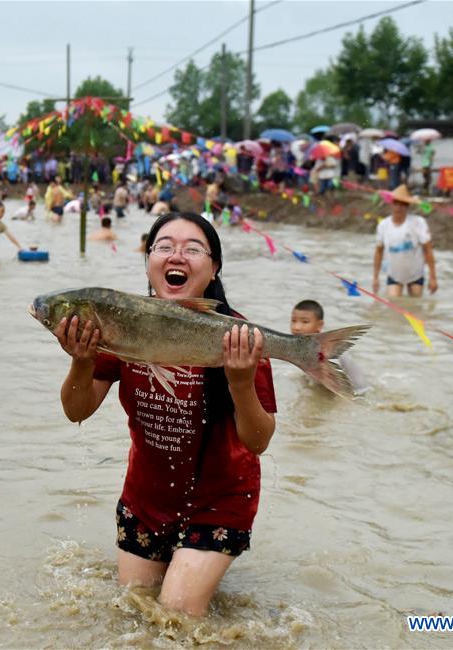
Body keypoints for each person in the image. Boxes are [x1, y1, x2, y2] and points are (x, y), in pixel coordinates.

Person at [52, 211, 277, 616]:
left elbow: (258, 441)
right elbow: (76, 411)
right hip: (146, 499)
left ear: (214, 268)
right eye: (165, 247)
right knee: (133, 609)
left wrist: (240, 383)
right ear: (149, 261)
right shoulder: (118, 324)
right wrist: (82, 362)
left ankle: (199, 564)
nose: (177, 256)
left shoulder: (238, 337)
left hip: (220, 501)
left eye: (192, 249)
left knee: (174, 614)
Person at [290, 300, 368, 395]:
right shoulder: (304, 345)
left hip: (357, 392)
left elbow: (339, 386)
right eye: (293, 321)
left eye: (305, 322)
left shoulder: (326, 349)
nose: (297, 327)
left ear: (320, 325)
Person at [372, 185, 438, 297]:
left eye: (402, 205)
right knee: (394, 305)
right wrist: (375, 277)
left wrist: (433, 277)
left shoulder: (418, 223)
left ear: (407, 207)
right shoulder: (383, 225)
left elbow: (428, 249)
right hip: (394, 275)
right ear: (391, 204)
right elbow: (379, 251)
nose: (398, 208)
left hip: (415, 274)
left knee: (415, 306)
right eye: (396, 204)